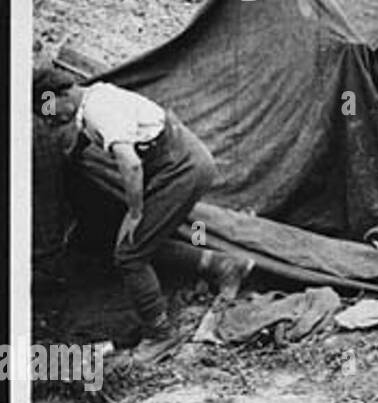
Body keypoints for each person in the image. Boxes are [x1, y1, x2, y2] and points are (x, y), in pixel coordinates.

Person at [32, 67, 252, 348]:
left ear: (61, 94)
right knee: (142, 242)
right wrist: (73, 155)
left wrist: (135, 214)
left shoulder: (98, 111)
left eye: (48, 107)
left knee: (130, 254)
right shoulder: (92, 97)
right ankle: (223, 265)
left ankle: (160, 335)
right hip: (177, 164)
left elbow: (131, 163)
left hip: (182, 169)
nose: (50, 118)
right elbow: (88, 134)